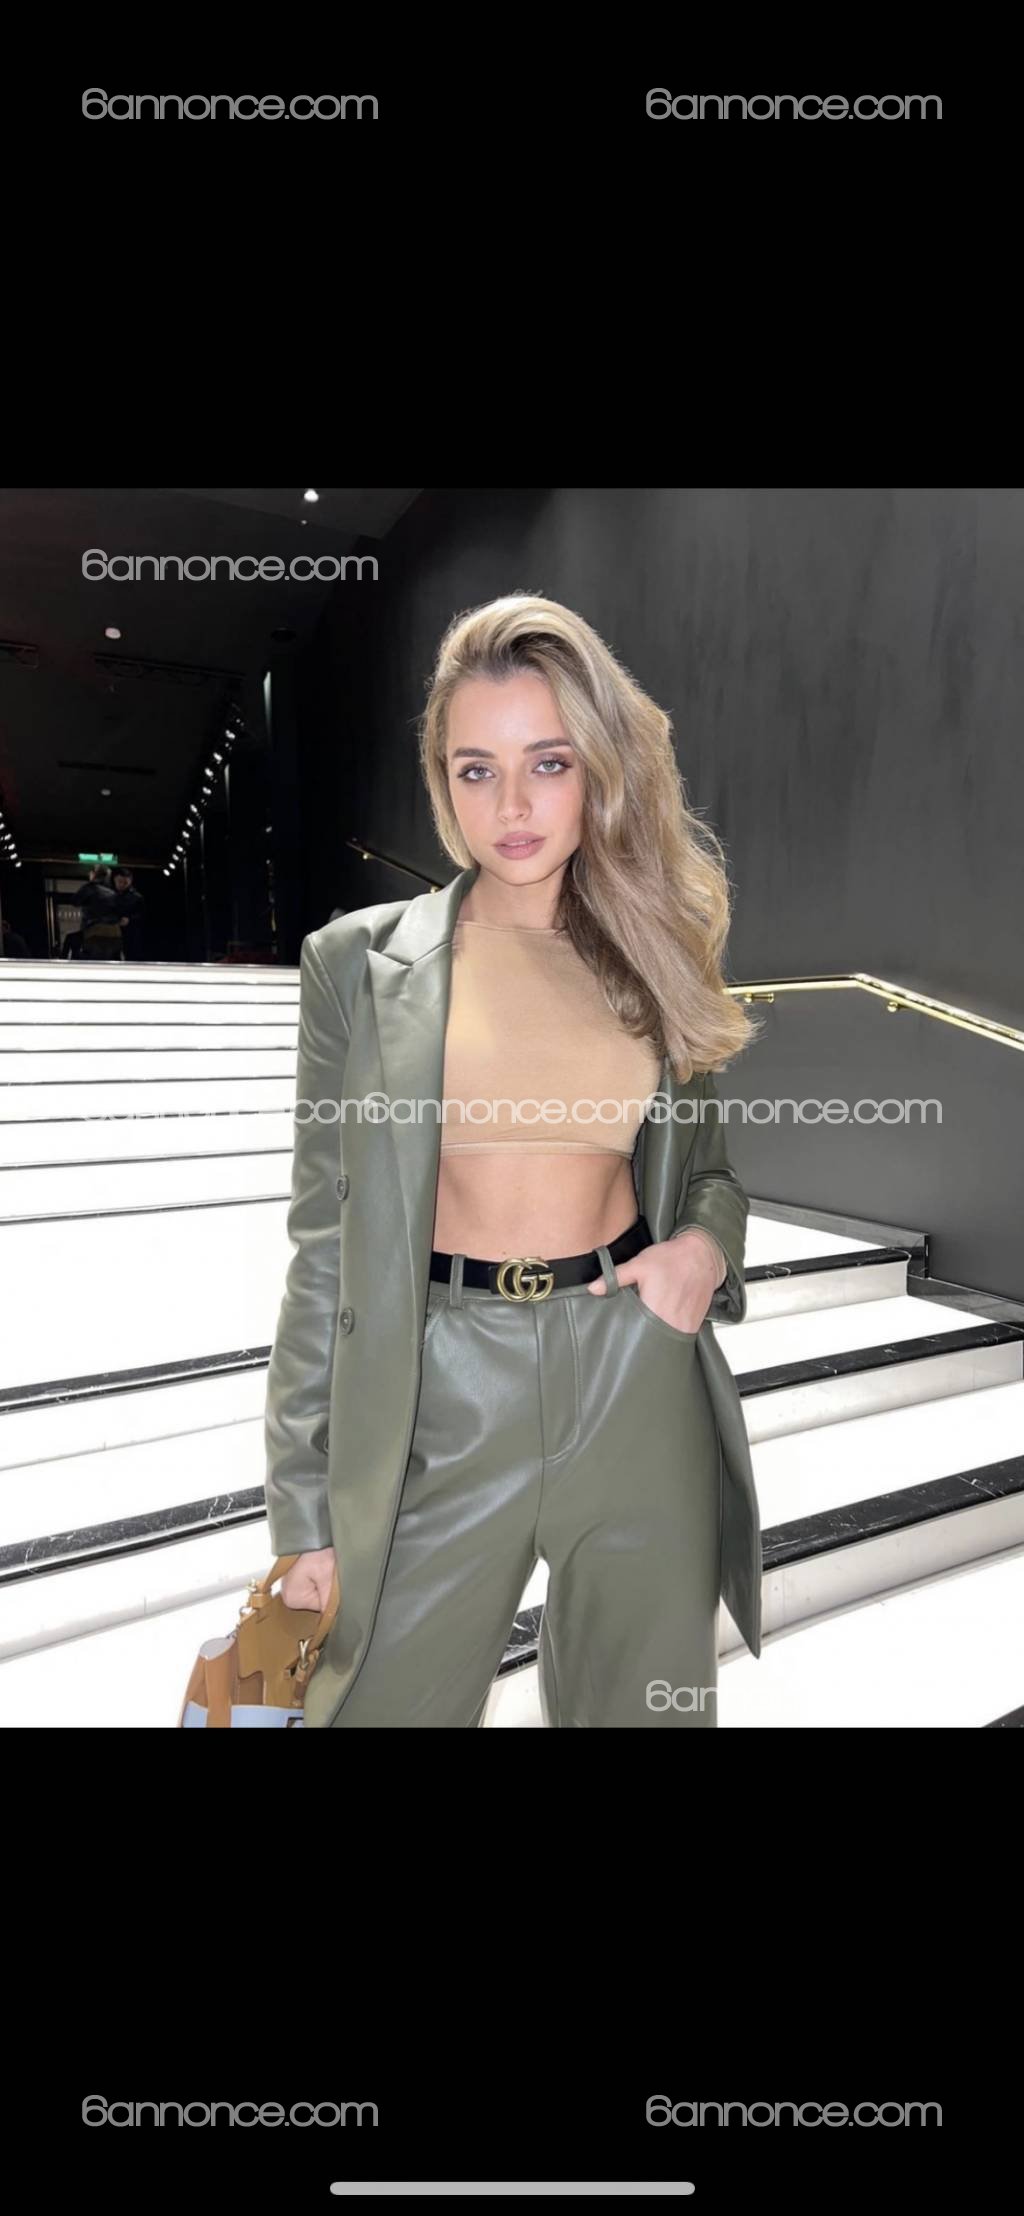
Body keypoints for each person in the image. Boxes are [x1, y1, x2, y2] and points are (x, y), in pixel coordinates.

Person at [265, 593, 764, 1728]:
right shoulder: (356, 966)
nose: (514, 805)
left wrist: (700, 1253)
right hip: (442, 1383)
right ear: (442, 782)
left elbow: (712, 1179)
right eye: (476, 770)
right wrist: (304, 1508)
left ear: (598, 767)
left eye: (548, 762)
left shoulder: (659, 957)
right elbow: (323, 1243)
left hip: (633, 1373)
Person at [75, 866, 124, 960]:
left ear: (93, 875)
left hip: (95, 932)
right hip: (115, 933)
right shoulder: (113, 892)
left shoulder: (90, 888)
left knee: (96, 963)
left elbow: (75, 901)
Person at [111, 868, 145, 959]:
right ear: (115, 880)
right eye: (119, 882)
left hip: (130, 935)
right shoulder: (110, 895)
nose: (122, 884)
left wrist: (130, 920)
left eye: (125, 882)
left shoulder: (137, 897)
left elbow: (143, 916)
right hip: (112, 933)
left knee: (131, 957)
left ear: (130, 881)